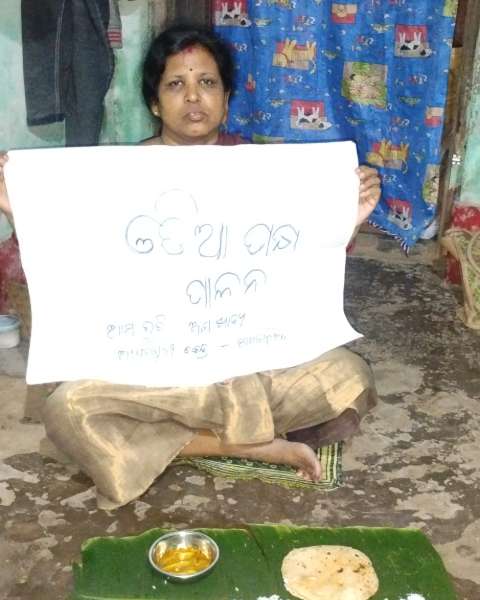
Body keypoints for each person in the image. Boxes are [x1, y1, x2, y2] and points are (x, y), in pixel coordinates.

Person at [0, 24, 381, 509]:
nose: (194, 97)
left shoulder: (263, 173)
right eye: (176, 84)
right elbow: (72, 262)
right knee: (68, 409)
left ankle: (170, 441)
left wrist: (348, 218)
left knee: (351, 378)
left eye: (207, 82)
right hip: (154, 371)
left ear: (226, 99)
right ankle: (247, 444)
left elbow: (298, 265)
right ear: (155, 103)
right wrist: (21, 209)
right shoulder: (115, 178)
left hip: (246, 362)